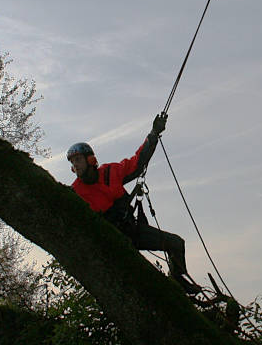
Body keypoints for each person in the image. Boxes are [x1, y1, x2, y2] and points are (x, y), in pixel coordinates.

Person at [67, 114, 199, 293]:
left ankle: (178, 279)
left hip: (132, 230)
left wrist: (154, 133)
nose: (76, 166)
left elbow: (137, 162)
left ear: (90, 160)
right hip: (112, 242)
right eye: (73, 163)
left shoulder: (110, 171)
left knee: (176, 244)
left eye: (78, 160)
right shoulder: (75, 193)